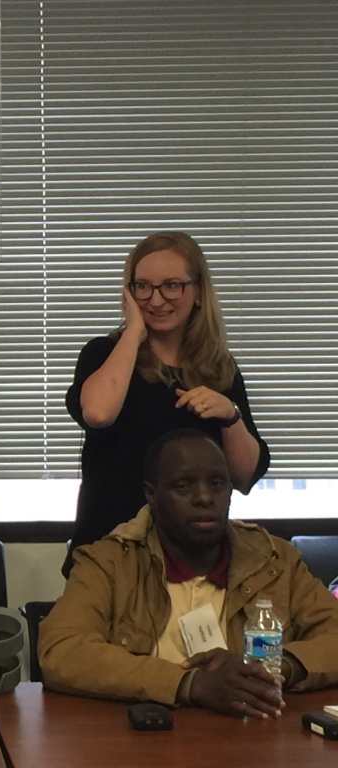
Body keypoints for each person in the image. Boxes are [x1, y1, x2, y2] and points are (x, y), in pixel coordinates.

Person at [39, 429, 338, 718]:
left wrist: (271, 667)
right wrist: (189, 684)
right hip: (142, 743)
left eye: (218, 483)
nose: (205, 498)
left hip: (252, 739)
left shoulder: (275, 560)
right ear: (151, 494)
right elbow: (62, 650)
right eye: (184, 485)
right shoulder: (111, 562)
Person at [64, 231, 269, 576]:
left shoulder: (221, 369)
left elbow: (245, 477)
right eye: (143, 287)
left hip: (194, 561)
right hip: (109, 556)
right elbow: (98, 413)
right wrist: (133, 332)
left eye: (171, 285)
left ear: (198, 290)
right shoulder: (104, 354)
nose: (156, 300)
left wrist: (229, 416)